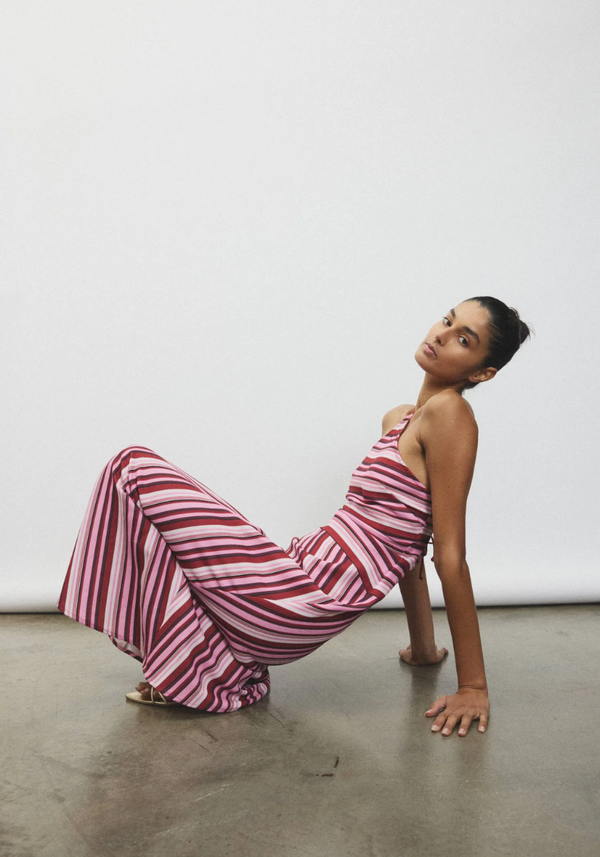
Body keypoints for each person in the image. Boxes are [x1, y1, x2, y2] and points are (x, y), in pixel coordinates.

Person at [58, 296, 531, 736]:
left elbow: (447, 553)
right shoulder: (400, 418)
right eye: (447, 320)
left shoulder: (451, 413)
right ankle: (201, 666)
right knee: (157, 520)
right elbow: (406, 544)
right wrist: (423, 650)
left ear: (483, 372)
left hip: (304, 599)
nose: (442, 334)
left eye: (463, 338)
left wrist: (473, 687)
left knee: (133, 466)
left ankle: (194, 660)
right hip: (293, 570)